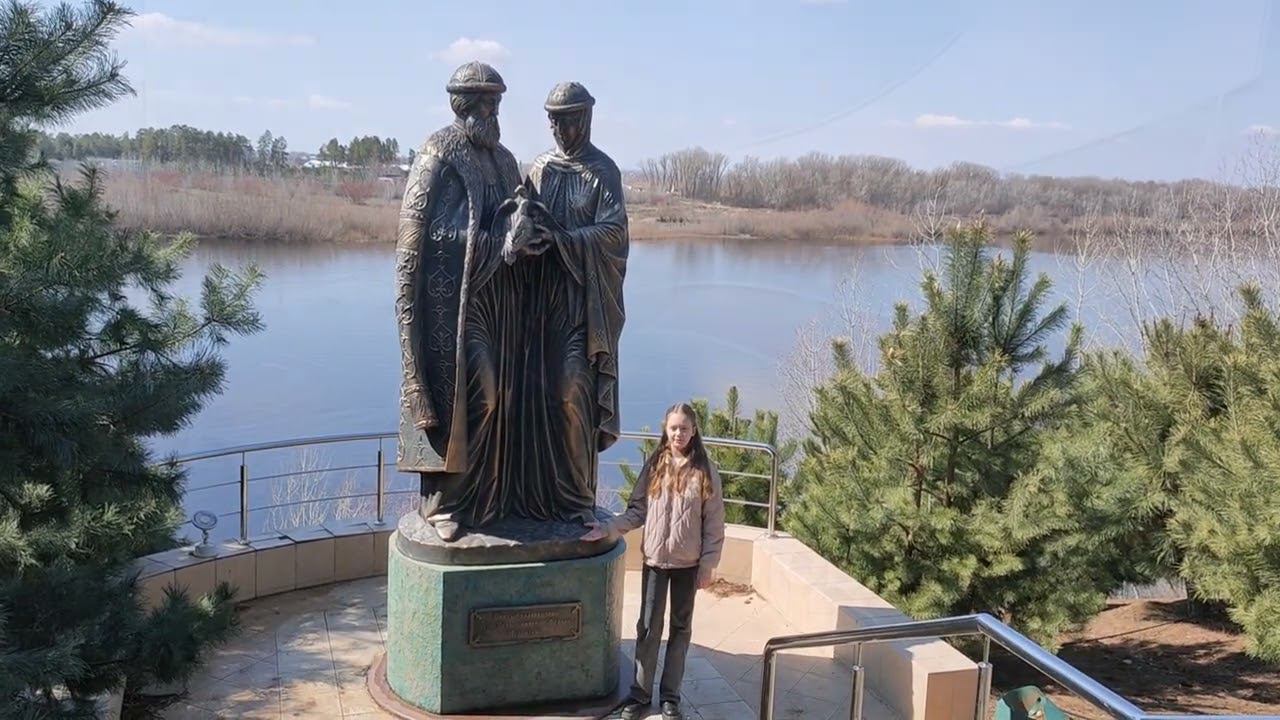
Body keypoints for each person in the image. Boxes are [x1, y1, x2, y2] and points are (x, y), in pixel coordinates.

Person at [393, 61, 531, 541]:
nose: (496, 114)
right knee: (481, 394)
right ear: (465, 106)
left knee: (504, 399)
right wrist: (497, 239)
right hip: (455, 310)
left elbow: (514, 212)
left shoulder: (505, 160)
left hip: (501, 301)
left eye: (498, 104)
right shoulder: (438, 153)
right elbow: (421, 238)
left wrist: (525, 230)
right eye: (489, 105)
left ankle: (489, 501)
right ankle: (443, 504)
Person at [519, 81, 629, 523]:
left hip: (580, 306)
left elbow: (614, 233)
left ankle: (578, 500)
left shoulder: (603, 172)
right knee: (533, 399)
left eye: (566, 121)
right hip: (538, 304)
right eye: (552, 121)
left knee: (571, 395)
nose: (559, 130)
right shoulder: (540, 168)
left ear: (585, 119)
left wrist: (564, 239)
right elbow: (524, 214)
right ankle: (534, 499)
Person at [582, 403, 726, 720]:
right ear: (665, 429)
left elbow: (714, 523)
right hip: (655, 562)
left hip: (688, 565)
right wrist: (608, 528)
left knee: (680, 630)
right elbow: (637, 511)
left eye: (684, 428)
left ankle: (670, 697)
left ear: (694, 431)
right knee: (648, 628)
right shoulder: (656, 464)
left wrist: (708, 564)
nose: (678, 433)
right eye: (674, 428)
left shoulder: (705, 470)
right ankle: (640, 694)